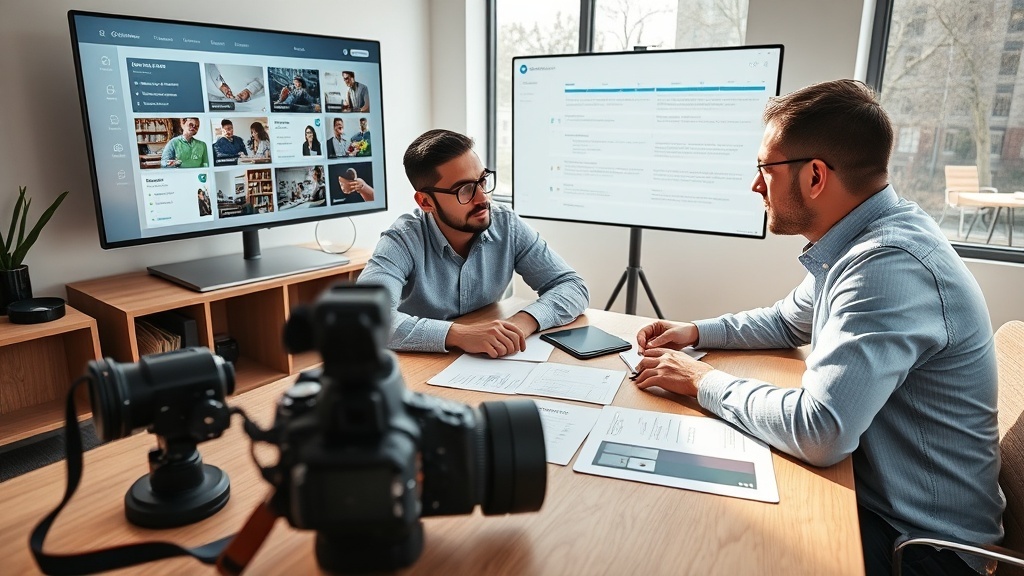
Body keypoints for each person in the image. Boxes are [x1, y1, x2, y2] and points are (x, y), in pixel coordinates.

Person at [631, 80, 1002, 576]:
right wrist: (696, 332)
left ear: (815, 177)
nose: (755, 184)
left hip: (923, 549)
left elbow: (820, 430)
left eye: (765, 168)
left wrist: (701, 381)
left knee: (710, 545)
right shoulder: (866, 238)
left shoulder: (887, 266)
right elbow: (789, 320)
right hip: (882, 504)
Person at [357, 129, 589, 357]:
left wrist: (521, 323)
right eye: (465, 190)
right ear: (426, 201)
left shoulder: (506, 224)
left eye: (482, 181)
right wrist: (458, 334)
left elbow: (572, 286)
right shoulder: (402, 239)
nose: (483, 198)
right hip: (416, 367)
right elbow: (366, 317)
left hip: (484, 362)